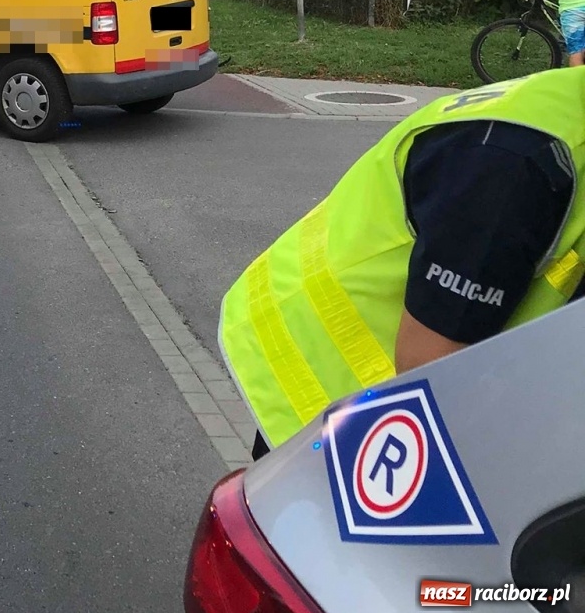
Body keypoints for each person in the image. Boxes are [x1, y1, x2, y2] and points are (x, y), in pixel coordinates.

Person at [221, 66, 585, 459]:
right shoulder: (517, 169)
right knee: (299, 510)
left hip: (394, 361)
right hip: (323, 375)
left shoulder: (557, 109)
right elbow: (427, 367)